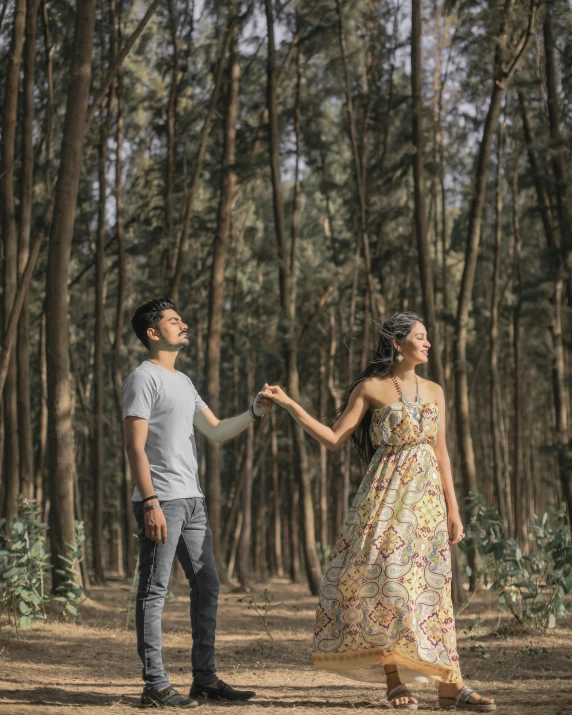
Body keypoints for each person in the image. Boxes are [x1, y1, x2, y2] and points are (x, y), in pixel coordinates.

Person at [261, 312, 496, 712]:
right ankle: (394, 678)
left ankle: (449, 684)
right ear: (397, 344)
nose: (427, 344)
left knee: (431, 590)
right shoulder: (371, 388)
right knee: (386, 583)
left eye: (428, 338)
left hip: (427, 508)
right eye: (420, 338)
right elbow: (334, 439)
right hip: (384, 500)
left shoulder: (437, 391)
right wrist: (288, 404)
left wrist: (454, 509)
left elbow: (442, 455)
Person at [123, 297, 271, 709]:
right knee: (154, 591)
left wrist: (254, 412)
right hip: (161, 501)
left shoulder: (184, 381)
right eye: (174, 321)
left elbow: (217, 431)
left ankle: (203, 678)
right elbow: (135, 448)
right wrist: (150, 501)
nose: (183, 324)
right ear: (153, 333)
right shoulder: (142, 378)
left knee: (207, 585)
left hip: (192, 502)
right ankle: (154, 684)